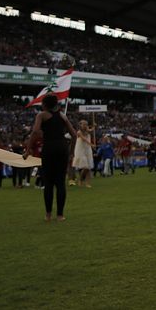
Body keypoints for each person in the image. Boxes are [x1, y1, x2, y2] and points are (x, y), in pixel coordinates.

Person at [24, 93, 76, 221]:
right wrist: (71, 153)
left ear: (45, 104)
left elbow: (35, 132)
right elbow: (74, 135)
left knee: (48, 183)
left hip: (49, 148)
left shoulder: (41, 115)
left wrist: (28, 150)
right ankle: (60, 215)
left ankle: (48, 215)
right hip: (62, 148)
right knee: (60, 183)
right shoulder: (63, 116)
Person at [72, 119, 94, 188]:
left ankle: (87, 183)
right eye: (84, 124)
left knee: (88, 168)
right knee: (85, 167)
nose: (85, 126)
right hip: (80, 151)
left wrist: (94, 126)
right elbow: (83, 138)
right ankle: (81, 180)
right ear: (80, 125)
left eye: (86, 124)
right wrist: (91, 144)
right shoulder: (79, 132)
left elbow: (91, 130)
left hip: (87, 150)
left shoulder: (88, 131)